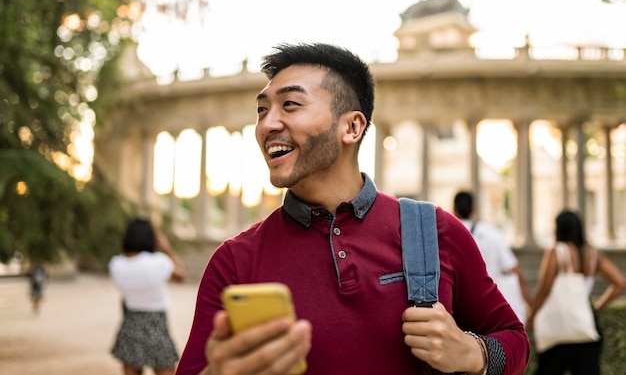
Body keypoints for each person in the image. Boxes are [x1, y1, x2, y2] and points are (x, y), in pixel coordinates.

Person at [175, 43, 530, 375]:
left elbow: (514, 339)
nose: (267, 124)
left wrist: (473, 352)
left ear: (352, 126)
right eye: (262, 110)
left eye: (290, 105)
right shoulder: (234, 261)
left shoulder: (436, 231)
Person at [527, 209, 625, 375]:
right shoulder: (593, 255)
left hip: (558, 330)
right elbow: (620, 283)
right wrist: (598, 307)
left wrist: (532, 316)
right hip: (586, 327)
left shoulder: (556, 252)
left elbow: (544, 290)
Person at [109, 218, 186, 375]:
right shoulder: (158, 262)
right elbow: (181, 276)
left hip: (130, 324)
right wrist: (167, 247)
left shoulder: (116, 263)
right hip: (156, 324)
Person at [453, 190, 532, 324]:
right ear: (474, 209)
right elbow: (514, 270)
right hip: (491, 305)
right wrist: (530, 305)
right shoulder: (492, 234)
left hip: (459, 307)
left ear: (454, 209)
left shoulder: (448, 233)